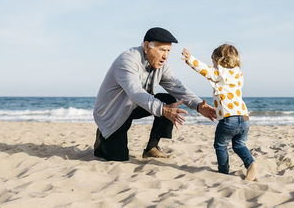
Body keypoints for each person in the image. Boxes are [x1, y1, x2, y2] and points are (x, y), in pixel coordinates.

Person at [93, 27, 217, 161]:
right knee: (119, 157)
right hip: (112, 113)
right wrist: (162, 109)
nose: (166, 55)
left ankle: (151, 148)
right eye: (162, 50)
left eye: (168, 51)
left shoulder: (162, 65)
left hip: (135, 106)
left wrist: (198, 105)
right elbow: (136, 92)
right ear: (147, 46)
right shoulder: (127, 60)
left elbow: (177, 87)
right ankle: (102, 136)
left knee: (169, 100)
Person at [181, 44, 257, 181]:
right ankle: (250, 163)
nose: (213, 65)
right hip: (244, 118)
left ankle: (223, 171)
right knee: (240, 145)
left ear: (219, 61)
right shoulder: (239, 74)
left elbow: (204, 70)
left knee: (220, 145)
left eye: (213, 62)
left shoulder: (220, 74)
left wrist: (190, 59)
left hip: (229, 119)